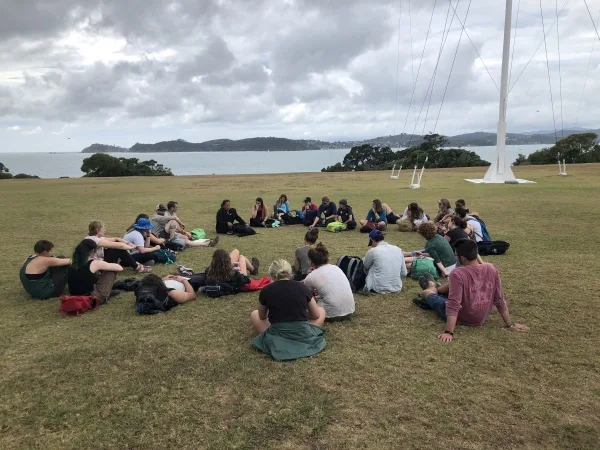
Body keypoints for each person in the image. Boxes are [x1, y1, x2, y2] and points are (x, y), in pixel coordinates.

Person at [413, 239, 529, 342]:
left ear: (462, 258)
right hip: (481, 316)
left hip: (463, 316)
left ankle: (432, 286)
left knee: (427, 293)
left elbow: (454, 304)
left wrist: (449, 332)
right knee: (451, 287)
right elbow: (499, 298)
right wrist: (510, 324)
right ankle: (438, 287)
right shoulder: (491, 268)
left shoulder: (457, 273)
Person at [250, 259, 327, 361]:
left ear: (271, 274)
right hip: (302, 333)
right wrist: (301, 313)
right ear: (290, 272)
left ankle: (279, 341)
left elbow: (262, 316)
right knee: (321, 310)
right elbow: (316, 315)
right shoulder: (302, 287)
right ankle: (300, 337)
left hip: (278, 333)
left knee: (254, 314)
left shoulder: (266, 290)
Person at [304, 243, 355, 321]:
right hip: (350, 310)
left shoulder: (310, 277)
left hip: (332, 314)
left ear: (311, 260)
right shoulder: (336, 268)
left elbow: (307, 299)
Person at [67, 239, 124, 304]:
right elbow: (120, 268)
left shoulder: (73, 262)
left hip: (74, 296)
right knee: (111, 271)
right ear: (92, 251)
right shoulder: (94, 263)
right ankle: (106, 292)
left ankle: (107, 289)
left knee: (93, 272)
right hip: (91, 299)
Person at [86, 220, 152, 273]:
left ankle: (136, 264)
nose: (104, 230)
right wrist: (133, 247)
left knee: (117, 248)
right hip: (96, 266)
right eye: (103, 228)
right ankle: (137, 267)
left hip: (97, 261)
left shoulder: (92, 237)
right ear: (97, 230)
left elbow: (116, 239)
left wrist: (128, 243)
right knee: (118, 249)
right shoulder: (96, 240)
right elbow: (120, 246)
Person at [152, 204, 217, 247]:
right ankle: (208, 243)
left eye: (164, 210)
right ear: (157, 210)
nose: (163, 212)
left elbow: (171, 226)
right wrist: (181, 224)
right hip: (159, 236)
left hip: (166, 234)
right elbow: (174, 219)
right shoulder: (156, 217)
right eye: (161, 210)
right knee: (187, 241)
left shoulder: (164, 216)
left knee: (186, 237)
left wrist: (181, 231)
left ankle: (208, 240)